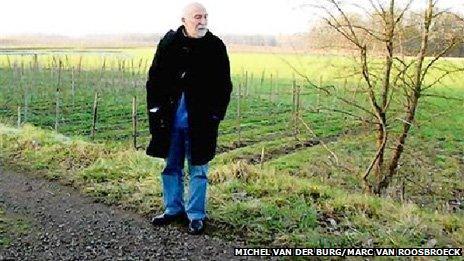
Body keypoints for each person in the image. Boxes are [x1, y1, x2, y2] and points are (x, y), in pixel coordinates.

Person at [145, 2, 232, 235]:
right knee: (171, 167)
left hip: (201, 123)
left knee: (199, 170)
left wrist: (215, 115)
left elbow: (224, 85)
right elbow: (154, 79)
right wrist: (155, 110)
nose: (203, 21)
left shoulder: (215, 46)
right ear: (184, 19)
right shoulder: (169, 43)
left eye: (205, 17)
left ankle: (195, 215)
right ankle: (173, 209)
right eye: (197, 17)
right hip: (170, 122)